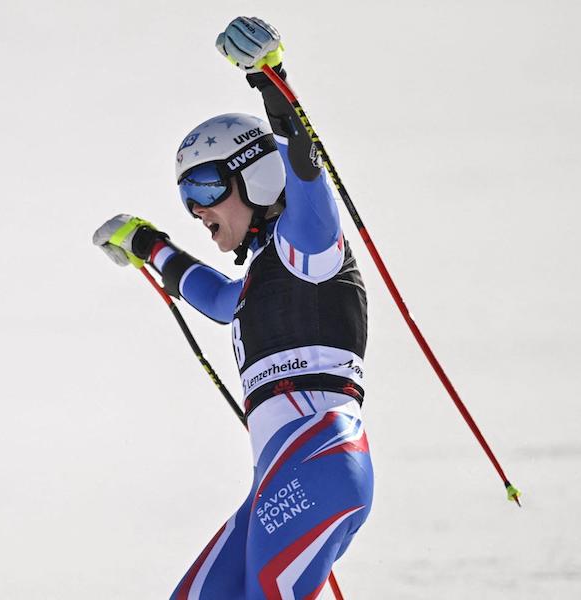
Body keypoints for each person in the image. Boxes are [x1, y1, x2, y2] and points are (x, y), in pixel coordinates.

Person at [93, 16, 373, 599]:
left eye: (205, 187)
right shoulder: (257, 285)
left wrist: (270, 79)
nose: (197, 210)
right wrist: (147, 244)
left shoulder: (311, 249)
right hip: (283, 476)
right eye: (186, 198)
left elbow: (307, 170)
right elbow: (217, 298)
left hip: (320, 454)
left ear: (256, 174)